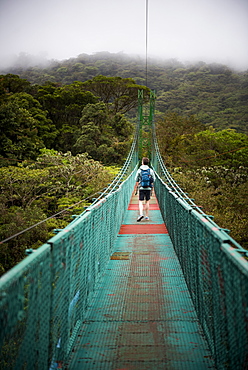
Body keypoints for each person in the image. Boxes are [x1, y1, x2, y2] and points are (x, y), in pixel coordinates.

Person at [135, 157, 155, 222]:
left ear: (142, 162)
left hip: (141, 187)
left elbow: (136, 179)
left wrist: (138, 182)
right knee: (147, 201)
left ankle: (141, 214)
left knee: (140, 201)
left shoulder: (139, 170)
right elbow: (154, 179)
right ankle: (146, 216)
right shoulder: (150, 170)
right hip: (148, 187)